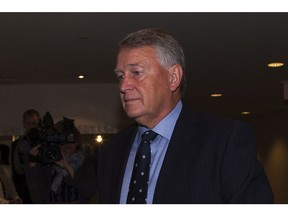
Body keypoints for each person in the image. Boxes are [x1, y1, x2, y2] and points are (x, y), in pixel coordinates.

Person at [96, 28, 274, 204]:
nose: (124, 85)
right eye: (120, 76)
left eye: (136, 73)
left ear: (173, 77)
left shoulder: (224, 141)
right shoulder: (112, 150)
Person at [25, 117, 97, 204]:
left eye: (70, 138)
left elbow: (89, 192)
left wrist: (68, 168)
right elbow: (37, 198)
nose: (67, 144)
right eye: (62, 140)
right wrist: (33, 166)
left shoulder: (86, 163)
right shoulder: (48, 164)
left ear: (77, 141)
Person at [11, 109, 41, 203]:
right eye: (29, 124)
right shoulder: (16, 145)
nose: (32, 127)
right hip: (25, 191)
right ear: (24, 124)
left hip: (42, 187)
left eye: (34, 124)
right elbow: (16, 171)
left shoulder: (46, 142)